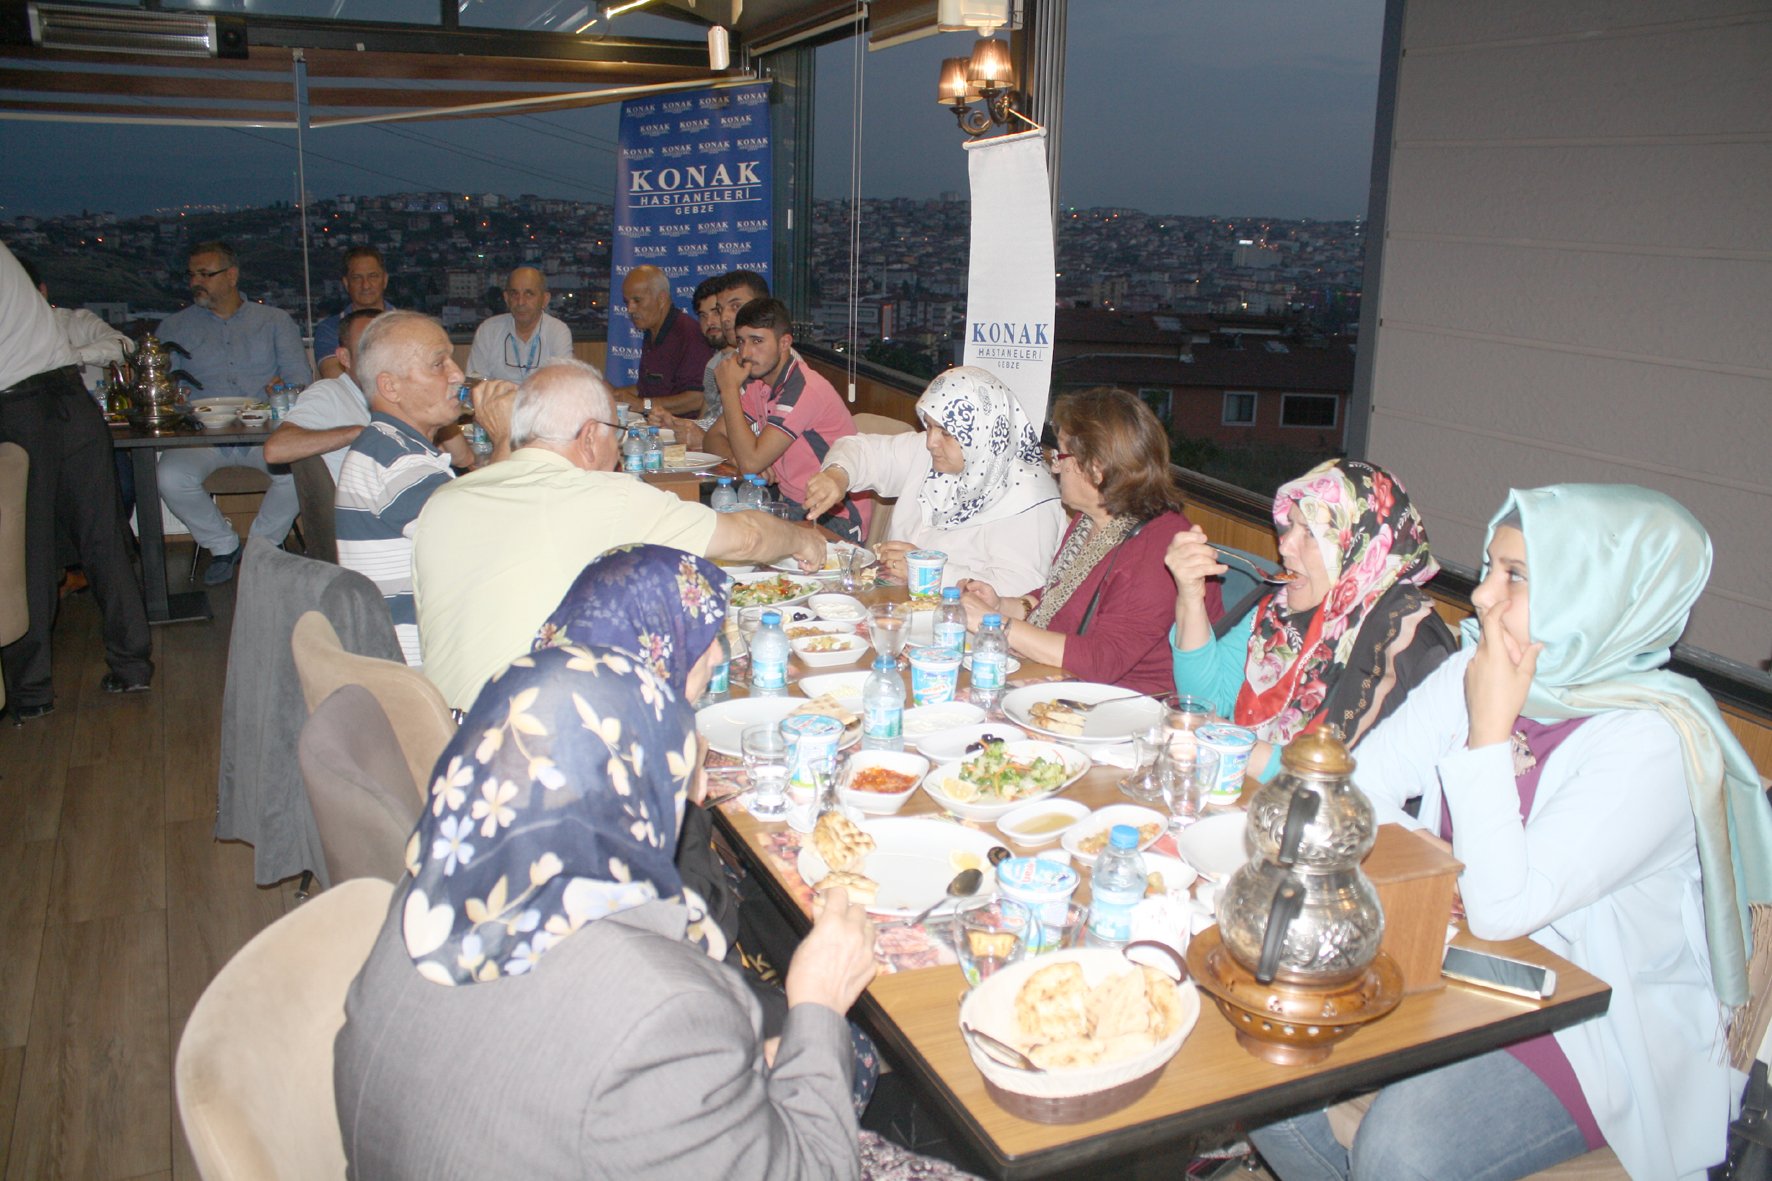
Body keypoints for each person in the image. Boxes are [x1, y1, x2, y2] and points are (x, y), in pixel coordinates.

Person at [1248, 485, 1772, 1181]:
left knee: (1404, 1151)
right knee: (1260, 1071)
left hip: (1587, 1029)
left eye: (1514, 576)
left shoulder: (1655, 743)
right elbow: (1352, 793)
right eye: (1491, 568)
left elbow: (1502, 910)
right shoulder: (1478, 668)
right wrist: (1444, 852)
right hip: (1442, 968)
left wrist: (1489, 732)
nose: (1484, 597)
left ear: (1596, 592)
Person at [333, 641, 878, 1177]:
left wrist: (727, 1077)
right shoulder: (663, 1001)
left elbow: (559, 1071)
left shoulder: (416, 897)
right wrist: (820, 1002)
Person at [412, 358, 826, 711]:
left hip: (439, 744)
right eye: (617, 433)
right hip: (532, 753)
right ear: (590, 436)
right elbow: (748, 537)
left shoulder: (442, 501)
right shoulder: (608, 498)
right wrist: (803, 538)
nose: (620, 451)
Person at [1166, 459, 1455, 783]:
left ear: (1358, 545)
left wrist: (1233, 745)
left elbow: (1349, 785)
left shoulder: (1403, 639)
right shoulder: (1280, 609)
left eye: (1311, 534)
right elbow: (1205, 701)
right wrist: (1190, 597)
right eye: (1289, 526)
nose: (1284, 544)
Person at [959, 387, 1220, 696]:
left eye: (1061, 456)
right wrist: (1004, 605)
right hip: (1074, 686)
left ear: (1096, 468)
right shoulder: (1092, 521)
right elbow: (1066, 598)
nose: (1054, 466)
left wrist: (996, 624)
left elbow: (1102, 660)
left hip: (1131, 708)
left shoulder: (1157, 550)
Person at [0, 241, 151, 720]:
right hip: (72, 400)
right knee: (104, 538)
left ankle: (30, 693)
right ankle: (133, 666)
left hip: (19, 411)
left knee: (28, 551)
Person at [802, 366, 1066, 595]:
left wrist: (928, 570)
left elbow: (1023, 589)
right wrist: (838, 474)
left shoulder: (1027, 496)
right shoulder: (931, 453)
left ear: (981, 432)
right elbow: (863, 450)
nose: (931, 442)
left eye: (946, 432)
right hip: (897, 600)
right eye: (928, 426)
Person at [335, 312, 504, 667]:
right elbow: (497, 541)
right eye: (438, 364)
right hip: (420, 669)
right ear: (390, 387)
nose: (457, 375)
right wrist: (505, 436)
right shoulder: (400, 464)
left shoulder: (389, 446)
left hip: (404, 652)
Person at [156, 240, 311, 585]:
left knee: (298, 473)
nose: (197, 281)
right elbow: (166, 386)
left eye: (206, 274)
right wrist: (175, 397)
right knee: (169, 476)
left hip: (263, 432)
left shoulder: (274, 321)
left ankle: (262, 545)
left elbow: (301, 379)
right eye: (192, 274)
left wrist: (281, 390)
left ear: (231, 276)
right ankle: (222, 545)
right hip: (202, 434)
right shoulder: (174, 327)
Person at [705, 297, 872, 544]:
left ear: (784, 343)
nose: (746, 353)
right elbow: (713, 439)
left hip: (835, 516)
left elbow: (751, 461)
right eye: (741, 341)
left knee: (746, 547)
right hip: (790, 504)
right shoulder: (757, 382)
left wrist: (728, 389)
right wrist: (740, 461)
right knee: (721, 535)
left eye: (757, 341)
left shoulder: (803, 388)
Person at [649, 269, 770, 451]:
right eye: (721, 310)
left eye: (735, 307)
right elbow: (713, 422)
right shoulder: (720, 362)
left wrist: (703, 439)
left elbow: (755, 448)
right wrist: (677, 425)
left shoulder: (765, 364)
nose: (723, 318)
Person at [260, 306, 380, 481]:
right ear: (345, 358)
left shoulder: (404, 395)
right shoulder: (329, 394)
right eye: (367, 350)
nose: (380, 358)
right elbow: (276, 449)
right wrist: (359, 433)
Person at [610, 264, 712, 415]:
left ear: (662, 298)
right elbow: (647, 389)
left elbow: (697, 398)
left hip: (681, 432)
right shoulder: (652, 330)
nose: (630, 309)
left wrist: (643, 405)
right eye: (627, 302)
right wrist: (612, 395)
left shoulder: (689, 334)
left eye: (637, 301)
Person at [466, 266, 572, 384]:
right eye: (514, 294)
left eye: (529, 294)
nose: (520, 302)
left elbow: (563, 383)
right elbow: (474, 382)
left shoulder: (557, 331)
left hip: (542, 401)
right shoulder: (488, 330)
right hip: (497, 401)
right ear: (506, 298)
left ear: (545, 300)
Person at [311, 246, 392, 380]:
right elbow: (337, 378)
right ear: (346, 283)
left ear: (385, 280)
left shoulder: (407, 325)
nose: (366, 285)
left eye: (373, 276)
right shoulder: (330, 329)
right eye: (357, 278)